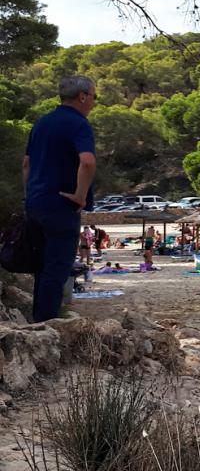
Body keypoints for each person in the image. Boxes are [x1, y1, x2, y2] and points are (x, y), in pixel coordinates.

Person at [23, 75, 97, 322]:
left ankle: (38, 320)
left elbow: (26, 164)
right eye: (94, 97)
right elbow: (87, 162)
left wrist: (31, 194)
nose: (94, 103)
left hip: (35, 202)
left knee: (41, 268)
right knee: (58, 267)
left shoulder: (42, 123)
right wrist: (80, 194)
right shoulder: (78, 123)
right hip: (61, 204)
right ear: (82, 96)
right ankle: (48, 324)